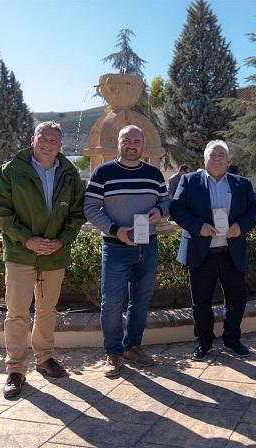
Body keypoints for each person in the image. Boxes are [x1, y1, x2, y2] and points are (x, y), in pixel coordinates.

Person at [0, 121, 86, 398]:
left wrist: (62, 239)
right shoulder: (12, 170)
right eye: (43, 137)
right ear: (33, 139)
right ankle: (16, 369)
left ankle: (44, 359)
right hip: (20, 252)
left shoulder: (69, 174)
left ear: (60, 145)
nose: (48, 143)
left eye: (54, 140)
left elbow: (78, 213)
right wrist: (25, 238)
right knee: (17, 312)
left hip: (54, 254)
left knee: (46, 310)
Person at [84, 125, 170, 377]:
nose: (132, 145)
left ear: (143, 145)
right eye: (127, 140)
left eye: (137, 141)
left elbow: (165, 200)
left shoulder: (154, 173)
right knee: (111, 303)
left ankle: (133, 347)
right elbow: (90, 207)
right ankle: (113, 352)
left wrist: (161, 211)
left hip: (148, 245)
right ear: (118, 143)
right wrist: (115, 229)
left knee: (140, 301)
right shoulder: (103, 172)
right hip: (115, 247)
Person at [170, 140, 256, 360]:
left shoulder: (241, 183)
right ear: (204, 159)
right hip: (202, 252)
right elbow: (176, 209)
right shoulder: (189, 181)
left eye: (222, 155)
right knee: (201, 301)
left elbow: (254, 210)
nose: (217, 158)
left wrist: (241, 226)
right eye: (213, 155)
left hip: (231, 251)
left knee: (236, 299)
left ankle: (231, 339)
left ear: (228, 161)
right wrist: (198, 226)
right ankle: (204, 341)